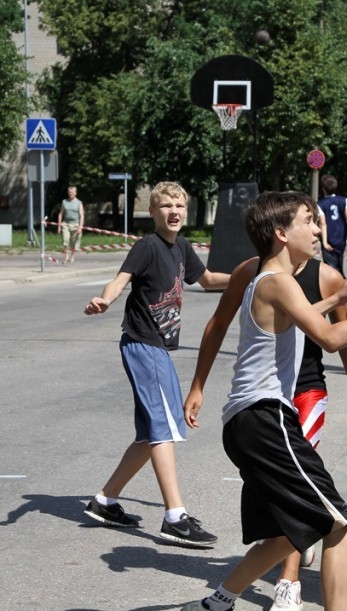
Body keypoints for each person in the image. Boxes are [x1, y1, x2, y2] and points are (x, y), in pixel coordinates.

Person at [181, 191, 347, 611]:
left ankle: (217, 602)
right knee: (341, 528)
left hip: (246, 423)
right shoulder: (278, 283)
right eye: (308, 221)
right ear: (281, 233)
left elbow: (302, 316)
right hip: (266, 419)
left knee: (283, 534)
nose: (317, 229)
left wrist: (337, 296)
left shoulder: (270, 281)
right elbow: (330, 339)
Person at [82, 181, 230, 546]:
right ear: (153, 212)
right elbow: (120, 281)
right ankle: (175, 517)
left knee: (151, 434)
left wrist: (251, 276)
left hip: (157, 349)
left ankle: (105, 501)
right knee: (164, 428)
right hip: (142, 345)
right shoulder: (147, 246)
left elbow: (208, 280)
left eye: (180, 204)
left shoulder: (182, 247)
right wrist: (104, 301)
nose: (174, 211)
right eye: (166, 205)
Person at [317, 175, 347, 277]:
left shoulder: (320, 204)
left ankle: (338, 285)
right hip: (341, 239)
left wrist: (324, 242)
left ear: (323, 189)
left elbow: (323, 224)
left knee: (331, 268)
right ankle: (341, 282)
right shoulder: (344, 200)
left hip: (329, 239)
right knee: (339, 263)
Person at [57, 185, 85, 264]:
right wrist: (59, 226)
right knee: (65, 240)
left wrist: (80, 226)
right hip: (66, 223)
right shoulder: (64, 202)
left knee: (74, 242)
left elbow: (81, 215)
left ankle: (72, 256)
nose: (71, 194)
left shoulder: (79, 203)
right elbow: (61, 214)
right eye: (70, 192)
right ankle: (66, 256)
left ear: (75, 193)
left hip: (75, 224)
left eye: (72, 192)